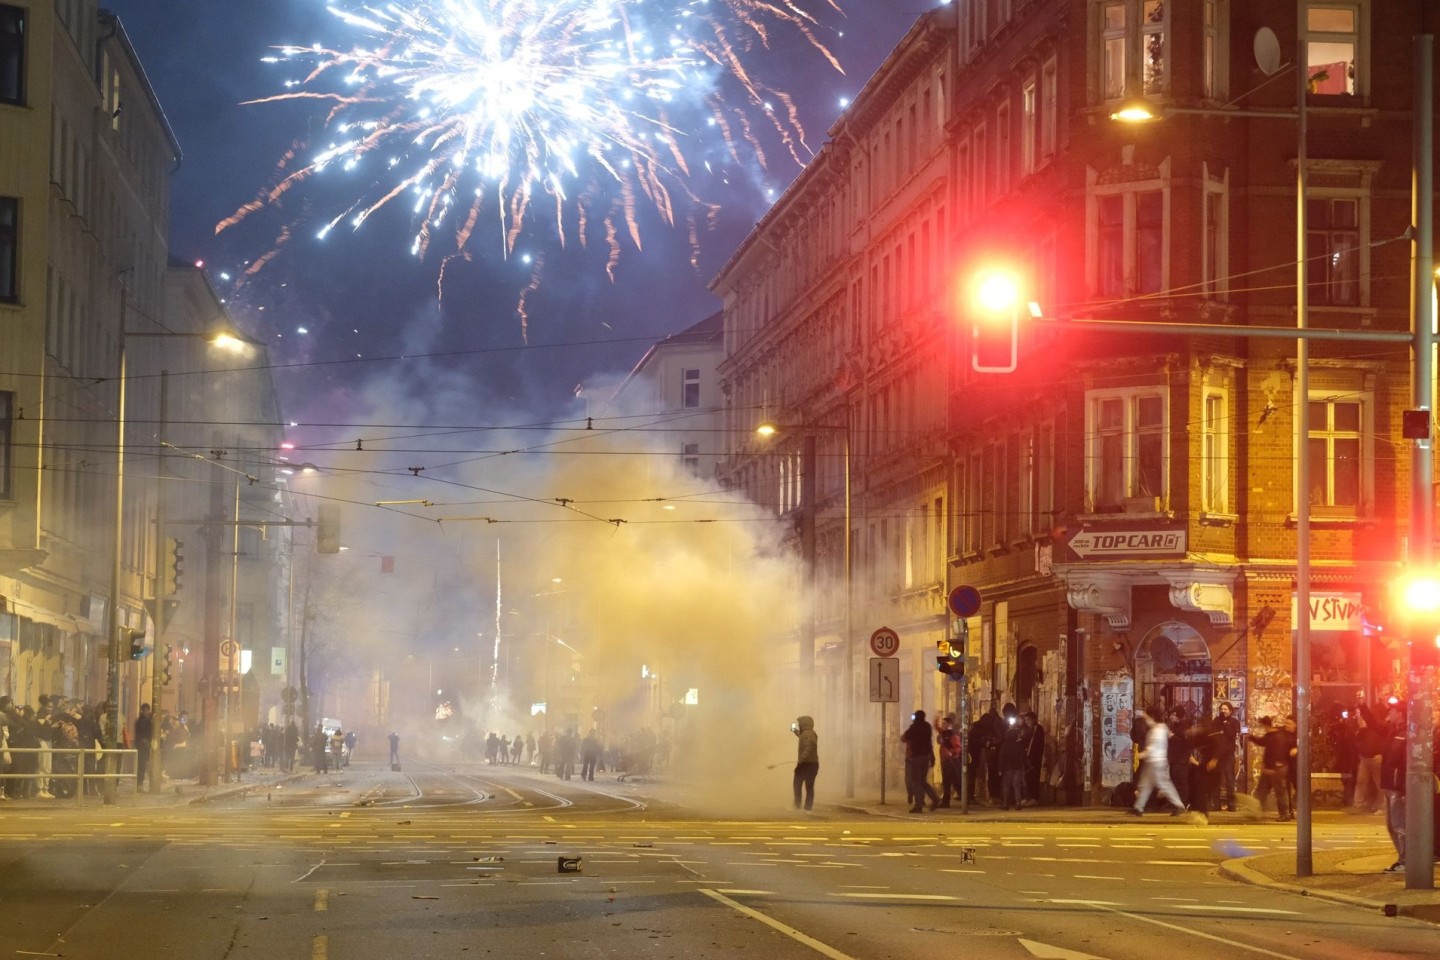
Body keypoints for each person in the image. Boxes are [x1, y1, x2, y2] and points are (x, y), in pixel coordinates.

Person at [1130, 704, 1184, 816]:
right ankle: (1138, 807)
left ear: (1152, 717)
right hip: (1154, 761)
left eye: (1148, 716)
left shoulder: (1157, 730)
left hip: (1156, 761)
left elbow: (1154, 746)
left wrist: (1143, 754)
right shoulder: (1160, 728)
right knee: (1146, 784)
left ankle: (1178, 805)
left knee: (1162, 784)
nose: (1146, 719)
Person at [1248, 716, 1296, 821]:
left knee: (1279, 792)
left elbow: (1277, 753)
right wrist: (1251, 737)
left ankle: (1285, 814)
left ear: (1266, 726)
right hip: (1272, 768)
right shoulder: (1272, 735)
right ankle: (1255, 812)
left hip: (1276, 768)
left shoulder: (1277, 737)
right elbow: (1262, 742)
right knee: (1262, 791)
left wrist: (1272, 766)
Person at [1379, 700, 1407, 873]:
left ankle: (1406, 860)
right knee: (1391, 824)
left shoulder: (1407, 734)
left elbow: (1405, 764)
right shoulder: (1393, 731)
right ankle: (1402, 858)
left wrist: (1404, 789)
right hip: (1390, 784)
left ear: (1401, 714)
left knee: (1400, 824)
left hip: (1398, 786)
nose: (1390, 714)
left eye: (1393, 711)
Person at [900, 709, 941, 813]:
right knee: (923, 781)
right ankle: (935, 798)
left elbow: (904, 738)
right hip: (925, 757)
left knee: (917, 782)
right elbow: (929, 741)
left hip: (916, 757)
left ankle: (918, 805)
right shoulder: (927, 726)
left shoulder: (914, 727)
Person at [1213, 702, 1241, 811]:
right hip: (1217, 754)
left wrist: (1224, 724)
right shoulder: (1216, 720)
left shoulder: (1234, 722)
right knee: (1216, 779)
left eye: (1225, 709)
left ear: (1230, 710)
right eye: (1221, 709)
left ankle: (1231, 804)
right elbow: (1213, 734)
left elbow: (1231, 735)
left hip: (1228, 754)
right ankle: (1216, 804)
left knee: (1230, 779)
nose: (1223, 711)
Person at [791, 715, 819, 811]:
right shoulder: (807, 733)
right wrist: (794, 730)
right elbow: (801, 736)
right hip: (811, 764)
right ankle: (806, 808)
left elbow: (809, 746)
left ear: (804, 724)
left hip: (807, 764)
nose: (799, 725)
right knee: (808, 786)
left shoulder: (808, 734)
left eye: (799, 724)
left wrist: (801, 759)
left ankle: (799, 806)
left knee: (798, 784)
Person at [936, 714, 961, 808]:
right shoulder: (943, 732)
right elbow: (936, 727)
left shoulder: (952, 734)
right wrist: (937, 717)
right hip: (945, 760)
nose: (943, 724)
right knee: (947, 781)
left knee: (954, 781)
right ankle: (946, 801)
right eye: (942, 723)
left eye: (944, 723)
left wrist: (952, 753)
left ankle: (964, 798)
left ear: (949, 724)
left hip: (951, 761)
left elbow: (958, 747)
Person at [134, 704, 154, 790]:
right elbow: (140, 733)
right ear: (142, 711)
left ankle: (141, 784)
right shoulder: (141, 721)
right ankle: (139, 784)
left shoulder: (149, 720)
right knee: (141, 764)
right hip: (142, 744)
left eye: (147, 710)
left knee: (144, 764)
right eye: (144, 710)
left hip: (146, 744)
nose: (146, 712)